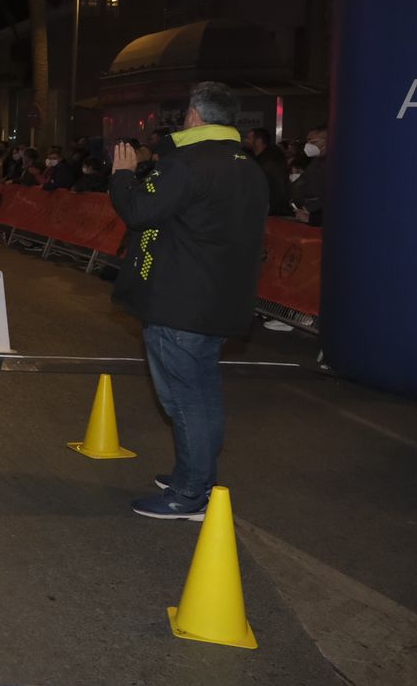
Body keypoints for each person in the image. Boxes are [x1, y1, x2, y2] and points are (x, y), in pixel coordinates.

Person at [109, 82, 266, 520]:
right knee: (204, 395)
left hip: (180, 301)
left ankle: (191, 494)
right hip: (221, 300)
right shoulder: (248, 167)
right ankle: (196, 476)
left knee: (183, 400)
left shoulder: (188, 163)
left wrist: (122, 176)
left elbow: (138, 211)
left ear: (194, 116)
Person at [242, 127, 292, 216]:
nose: (245, 140)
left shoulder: (269, 161)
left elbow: (275, 187)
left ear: (258, 141)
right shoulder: (260, 158)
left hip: (273, 210)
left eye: (249, 138)